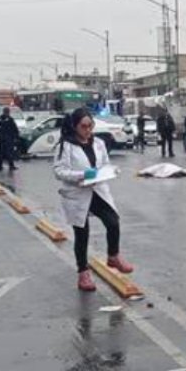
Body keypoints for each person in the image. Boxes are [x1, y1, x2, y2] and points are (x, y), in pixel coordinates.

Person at [53, 108, 134, 292]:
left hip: (97, 190)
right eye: (84, 126)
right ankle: (83, 274)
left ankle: (113, 256)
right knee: (82, 235)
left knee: (113, 221)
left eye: (91, 126)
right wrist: (82, 174)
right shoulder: (65, 146)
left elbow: (104, 163)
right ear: (75, 126)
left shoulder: (98, 143)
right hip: (77, 193)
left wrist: (110, 170)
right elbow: (59, 171)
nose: (88, 130)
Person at [0, 107, 20, 171]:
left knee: (5, 152)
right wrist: (1, 130)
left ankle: (3, 166)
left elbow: (15, 129)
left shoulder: (6, 119)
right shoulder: (2, 119)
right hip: (6, 137)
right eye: (7, 112)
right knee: (7, 152)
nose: (7, 113)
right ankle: (6, 166)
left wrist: (16, 136)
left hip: (7, 137)